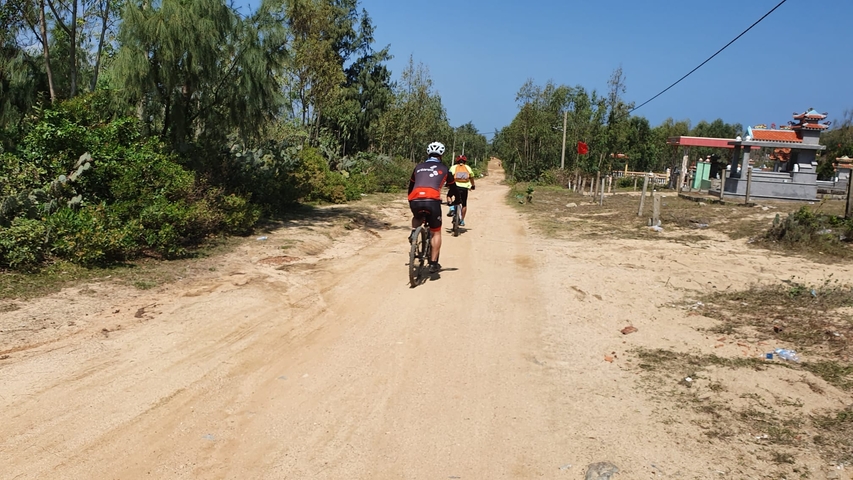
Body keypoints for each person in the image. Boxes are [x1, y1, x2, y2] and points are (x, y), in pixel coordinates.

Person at [408, 141, 458, 273]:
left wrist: (411, 201)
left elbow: (411, 186)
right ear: (441, 155)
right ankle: (433, 263)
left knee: (417, 216)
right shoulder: (445, 169)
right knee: (436, 232)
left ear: (428, 153)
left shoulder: (418, 167)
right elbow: (453, 188)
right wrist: (454, 200)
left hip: (415, 199)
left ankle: (414, 233)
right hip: (432, 201)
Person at [447, 155, 475, 226]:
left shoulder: (453, 167)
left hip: (455, 187)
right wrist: (473, 185)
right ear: (465, 161)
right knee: (464, 204)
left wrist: (448, 184)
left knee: (449, 196)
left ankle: (452, 207)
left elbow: (449, 176)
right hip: (464, 188)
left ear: (457, 161)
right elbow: (471, 177)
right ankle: (462, 220)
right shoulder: (468, 168)